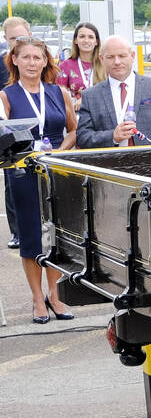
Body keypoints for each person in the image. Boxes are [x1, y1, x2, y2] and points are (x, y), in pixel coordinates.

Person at [1, 36, 78, 323]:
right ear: (15, 61)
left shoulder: (59, 93)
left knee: (55, 236)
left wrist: (57, 153)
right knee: (32, 238)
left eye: (37, 57)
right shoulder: (6, 96)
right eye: (26, 57)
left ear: (45, 61)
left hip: (55, 171)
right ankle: (37, 299)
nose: (32, 62)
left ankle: (55, 296)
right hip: (23, 173)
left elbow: (73, 131)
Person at [76, 35, 151, 148]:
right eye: (111, 57)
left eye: (122, 56)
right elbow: (82, 137)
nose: (117, 62)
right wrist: (112, 136)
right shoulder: (90, 96)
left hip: (148, 160)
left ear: (132, 56)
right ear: (102, 59)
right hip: (108, 163)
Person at [2, 17, 32, 248]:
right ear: (5, 39)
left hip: (35, 127)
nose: (17, 42)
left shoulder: (35, 58)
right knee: (13, 183)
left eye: (21, 37)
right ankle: (17, 232)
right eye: (13, 38)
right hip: (9, 128)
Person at [56, 21, 104, 111]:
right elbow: (59, 95)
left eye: (91, 37)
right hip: (77, 117)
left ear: (96, 41)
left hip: (102, 115)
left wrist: (85, 100)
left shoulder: (105, 64)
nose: (86, 40)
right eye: (82, 36)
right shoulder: (65, 66)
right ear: (75, 40)